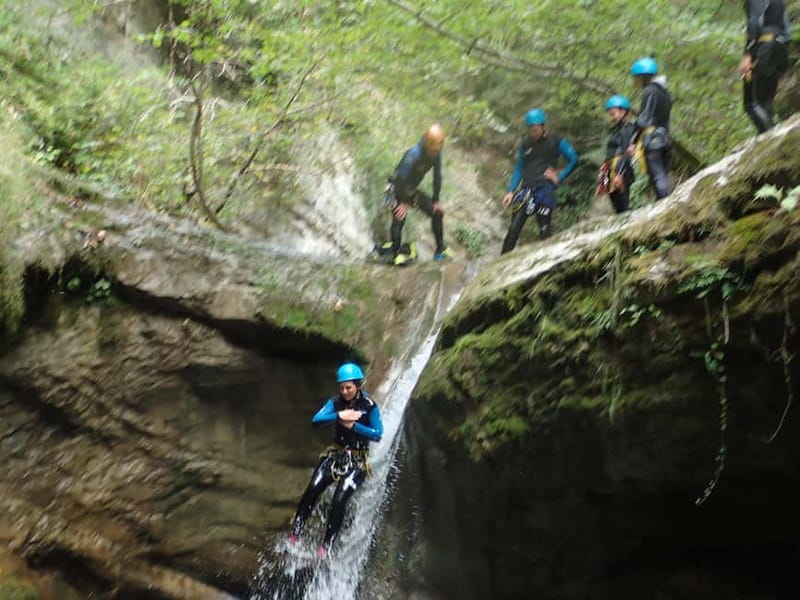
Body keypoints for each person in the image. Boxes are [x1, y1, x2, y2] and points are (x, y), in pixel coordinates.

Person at [289, 362, 383, 558]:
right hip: (336, 455)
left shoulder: (369, 406)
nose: (345, 391)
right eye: (341, 387)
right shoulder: (335, 403)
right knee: (313, 488)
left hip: (358, 461)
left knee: (339, 499)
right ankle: (296, 532)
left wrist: (354, 426)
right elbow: (316, 420)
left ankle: (326, 544)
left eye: (348, 387)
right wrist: (340, 415)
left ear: (358, 385)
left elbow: (377, 434)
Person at [500, 108, 578, 253]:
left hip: (545, 191)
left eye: (535, 130)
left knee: (544, 229)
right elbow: (519, 168)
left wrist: (559, 177)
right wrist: (510, 191)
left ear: (543, 127)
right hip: (526, 191)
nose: (533, 133)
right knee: (513, 228)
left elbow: (573, 159)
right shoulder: (526, 144)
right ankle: (501, 262)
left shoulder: (556, 141)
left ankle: (546, 259)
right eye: (530, 130)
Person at [384, 124, 454, 265]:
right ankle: (395, 252)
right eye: (432, 150)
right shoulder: (413, 155)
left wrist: (435, 200)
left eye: (437, 150)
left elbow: (437, 177)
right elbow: (400, 180)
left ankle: (440, 250)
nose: (434, 153)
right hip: (394, 189)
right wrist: (404, 202)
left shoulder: (436, 153)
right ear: (427, 145)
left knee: (437, 213)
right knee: (399, 217)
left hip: (409, 190)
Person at [740, 0, 791, 133]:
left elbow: (755, 23)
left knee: (751, 104)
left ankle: (770, 141)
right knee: (765, 103)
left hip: (764, 49)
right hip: (780, 51)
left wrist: (748, 54)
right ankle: (768, 139)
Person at [626, 57, 672, 200]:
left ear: (643, 77)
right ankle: (664, 203)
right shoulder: (665, 93)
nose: (636, 82)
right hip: (664, 139)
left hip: (653, 141)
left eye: (637, 78)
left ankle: (666, 206)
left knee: (657, 177)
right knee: (662, 175)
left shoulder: (650, 90)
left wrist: (632, 140)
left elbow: (643, 120)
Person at [597, 95, 636, 214]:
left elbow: (626, 152)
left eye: (613, 114)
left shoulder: (628, 128)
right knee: (616, 204)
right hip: (611, 170)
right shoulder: (616, 130)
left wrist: (619, 174)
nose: (612, 117)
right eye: (610, 114)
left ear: (623, 111)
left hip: (620, 170)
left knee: (623, 204)